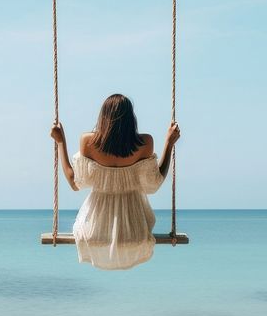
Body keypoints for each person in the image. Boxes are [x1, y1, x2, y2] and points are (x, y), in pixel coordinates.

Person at [49, 93, 181, 270]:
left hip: (94, 230)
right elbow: (153, 184)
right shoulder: (145, 142)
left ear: (103, 117)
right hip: (135, 231)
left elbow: (75, 183)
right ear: (131, 119)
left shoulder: (88, 141)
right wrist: (169, 143)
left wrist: (60, 142)